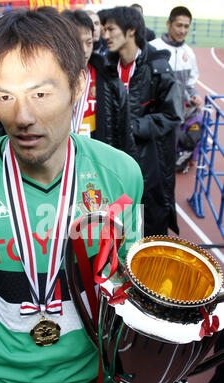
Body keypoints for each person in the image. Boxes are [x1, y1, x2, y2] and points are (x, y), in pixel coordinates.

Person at [0, 8, 143, 383]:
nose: (22, 116)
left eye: (40, 93)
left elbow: (129, 286)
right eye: (5, 96)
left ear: (79, 86)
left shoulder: (122, 176)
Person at [103, 6, 182, 237]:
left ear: (131, 31)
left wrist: (134, 127)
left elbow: (172, 115)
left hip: (148, 164)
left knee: (150, 228)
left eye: (111, 29)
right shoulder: (105, 68)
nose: (105, 35)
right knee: (117, 227)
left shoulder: (158, 68)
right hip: (112, 162)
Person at [61, 9, 137, 159]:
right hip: (58, 165)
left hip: (95, 160)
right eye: (76, 43)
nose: (84, 50)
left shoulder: (109, 79)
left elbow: (124, 135)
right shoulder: (45, 80)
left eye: (88, 43)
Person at [150, 6, 202, 117]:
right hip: (154, 117)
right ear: (169, 24)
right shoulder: (153, 48)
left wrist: (194, 95)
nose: (182, 31)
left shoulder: (189, 53)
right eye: (179, 25)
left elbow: (189, 85)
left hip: (177, 117)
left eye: (186, 26)